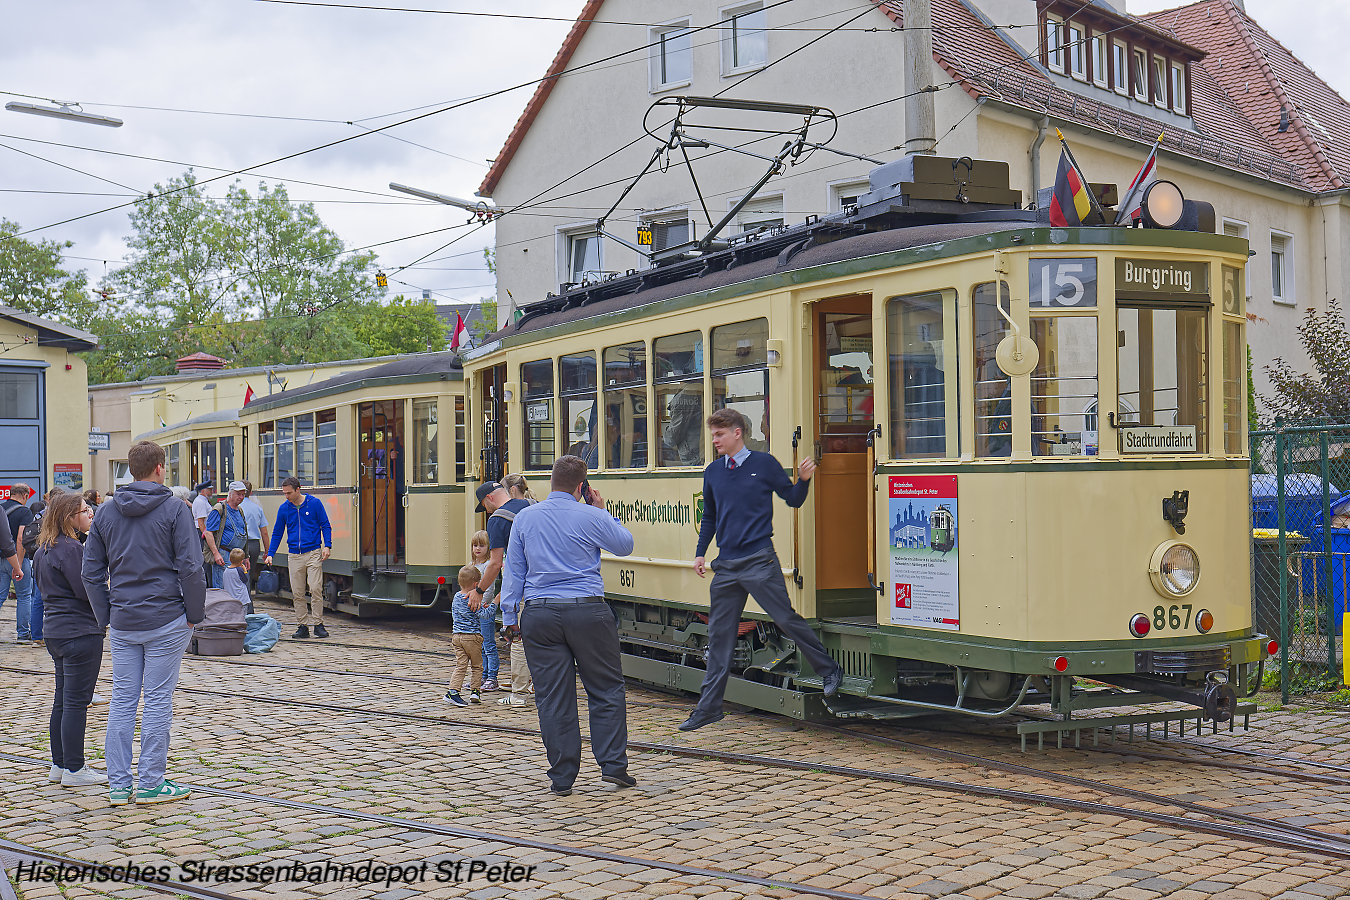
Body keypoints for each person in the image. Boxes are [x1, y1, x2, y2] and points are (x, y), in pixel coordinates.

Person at [680, 409, 842, 732]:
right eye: (713, 435)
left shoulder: (764, 465)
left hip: (758, 560)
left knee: (786, 619)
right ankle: (709, 708)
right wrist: (700, 554)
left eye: (719, 435)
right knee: (719, 637)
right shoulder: (712, 472)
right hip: (725, 566)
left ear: (737, 433)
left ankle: (829, 670)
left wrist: (804, 481)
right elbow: (709, 517)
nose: (714, 441)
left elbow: (793, 499)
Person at [501, 455, 636, 796]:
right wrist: (602, 510)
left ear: (551, 483)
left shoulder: (526, 518)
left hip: (539, 615)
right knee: (605, 689)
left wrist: (508, 619)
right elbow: (624, 545)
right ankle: (613, 766)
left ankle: (562, 776)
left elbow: (514, 572)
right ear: (582, 487)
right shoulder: (591, 515)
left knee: (552, 697)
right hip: (587, 612)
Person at [83, 440, 205, 806]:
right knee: (156, 701)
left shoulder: (105, 513)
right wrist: (195, 615)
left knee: (122, 700)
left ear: (130, 470)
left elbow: (91, 573)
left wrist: (106, 615)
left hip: (123, 621)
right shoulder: (174, 509)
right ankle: (151, 782)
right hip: (166, 618)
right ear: (159, 468)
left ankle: (119, 785)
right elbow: (191, 567)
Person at [34, 490, 105, 787]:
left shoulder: (43, 550)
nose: (90, 513)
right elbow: (86, 590)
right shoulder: (73, 549)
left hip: (56, 631)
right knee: (76, 702)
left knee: (63, 700)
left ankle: (60, 764)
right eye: (85, 509)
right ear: (69, 517)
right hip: (80, 631)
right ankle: (75, 768)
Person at [474, 480, 531, 705]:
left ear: (489, 498)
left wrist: (479, 590)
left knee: (518, 638)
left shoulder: (497, 520)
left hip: (522, 586)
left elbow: (495, 563)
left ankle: (519, 694)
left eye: (484, 505)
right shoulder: (530, 505)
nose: (486, 510)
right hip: (546, 583)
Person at [264, 476, 333, 639]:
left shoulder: (314, 503)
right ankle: (302, 625)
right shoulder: (284, 508)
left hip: (313, 552)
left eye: (288, 493)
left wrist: (327, 545)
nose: (286, 496)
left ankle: (318, 624)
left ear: (298, 489)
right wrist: (270, 554)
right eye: (284, 493)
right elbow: (277, 532)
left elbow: (325, 524)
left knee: (315, 588)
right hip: (294, 554)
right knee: (297, 592)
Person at [444, 565, 484, 707]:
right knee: (477, 666)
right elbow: (484, 615)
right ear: (475, 584)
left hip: (457, 637)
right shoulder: (472, 600)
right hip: (471, 637)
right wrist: (494, 603)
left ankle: (453, 692)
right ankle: (475, 691)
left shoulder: (456, 597)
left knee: (461, 665)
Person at [1, 484, 36, 643]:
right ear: (25, 495)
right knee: (23, 596)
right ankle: (23, 634)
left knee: (1, 596)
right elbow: (21, 538)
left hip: (0, 558)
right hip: (16, 558)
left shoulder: (1, 508)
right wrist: (18, 564)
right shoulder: (25, 511)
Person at [203, 481, 249, 590]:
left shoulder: (240, 510)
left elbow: (244, 534)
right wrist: (216, 554)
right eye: (239, 494)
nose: (241, 497)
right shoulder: (220, 509)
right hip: (224, 554)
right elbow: (209, 533)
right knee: (222, 589)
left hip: (238, 557)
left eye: (243, 494)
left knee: (235, 589)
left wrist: (246, 557)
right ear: (230, 493)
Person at [469, 530, 500, 691]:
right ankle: (482, 675)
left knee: (488, 644)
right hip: (474, 610)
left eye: (482, 545)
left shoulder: (489, 565)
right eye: (475, 545)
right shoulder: (471, 565)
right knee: (479, 645)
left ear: (489, 547)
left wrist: (482, 601)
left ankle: (492, 677)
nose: (478, 549)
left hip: (485, 608)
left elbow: (488, 588)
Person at [0, 500, 24, 640]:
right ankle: (23, 633)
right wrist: (17, 567)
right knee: (24, 595)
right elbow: (8, 544)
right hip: (10, 560)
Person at [240, 481, 270, 592]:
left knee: (238, 574)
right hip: (254, 545)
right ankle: (248, 603)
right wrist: (267, 551)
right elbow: (264, 532)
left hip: (239, 544)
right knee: (249, 574)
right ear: (251, 492)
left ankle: (242, 603)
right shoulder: (257, 508)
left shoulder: (235, 507)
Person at [222, 548, 254, 615]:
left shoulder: (226, 570)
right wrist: (245, 571)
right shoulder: (239, 570)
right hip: (241, 599)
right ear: (241, 561)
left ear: (229, 559)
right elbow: (246, 580)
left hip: (231, 600)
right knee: (242, 616)